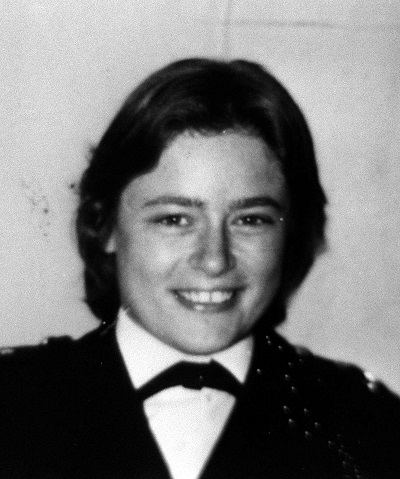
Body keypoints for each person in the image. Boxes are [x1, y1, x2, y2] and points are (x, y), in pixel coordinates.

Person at [1, 58, 399, 479]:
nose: (214, 260)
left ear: (291, 234)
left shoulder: (366, 426)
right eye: (174, 219)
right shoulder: (14, 402)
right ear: (107, 227)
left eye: (251, 220)